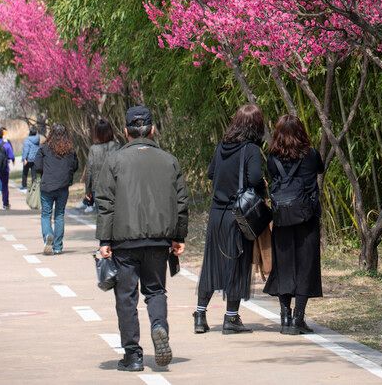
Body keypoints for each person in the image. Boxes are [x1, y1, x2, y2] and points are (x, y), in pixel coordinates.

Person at [96, 105, 188, 373]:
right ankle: (159, 327)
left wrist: (104, 240)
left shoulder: (114, 161)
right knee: (156, 291)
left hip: (123, 242)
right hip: (159, 241)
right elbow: (180, 201)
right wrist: (178, 236)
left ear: (126, 132)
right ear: (153, 129)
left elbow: (105, 203)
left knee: (126, 297)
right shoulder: (169, 160)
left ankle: (133, 356)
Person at [194, 103, 266, 336]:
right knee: (237, 263)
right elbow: (255, 178)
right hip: (238, 215)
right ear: (256, 126)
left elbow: (211, 173)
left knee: (212, 264)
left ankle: (200, 315)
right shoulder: (252, 150)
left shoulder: (221, 146)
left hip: (217, 213)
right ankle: (231, 318)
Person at [264, 114, 324, 334]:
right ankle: (298, 319)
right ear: (301, 132)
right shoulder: (311, 154)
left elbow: (273, 178)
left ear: (278, 133)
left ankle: (284, 317)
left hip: (282, 219)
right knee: (306, 265)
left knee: (284, 265)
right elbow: (321, 168)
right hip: (306, 217)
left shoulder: (272, 157)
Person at [34, 123, 78, 255]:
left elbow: (38, 167)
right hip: (63, 187)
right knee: (59, 215)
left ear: (51, 134)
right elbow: (75, 166)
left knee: (46, 214)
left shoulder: (44, 149)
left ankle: (48, 236)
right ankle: (58, 247)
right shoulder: (70, 150)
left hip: (47, 186)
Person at [82, 118, 120, 214]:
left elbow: (89, 171)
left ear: (97, 133)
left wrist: (88, 190)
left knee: (102, 216)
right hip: (115, 187)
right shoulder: (117, 147)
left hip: (98, 188)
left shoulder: (93, 149)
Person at [21, 125, 41, 192]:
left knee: (25, 173)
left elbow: (26, 150)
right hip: (35, 159)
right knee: (34, 173)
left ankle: (24, 185)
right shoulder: (38, 139)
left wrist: (24, 159)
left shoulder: (27, 140)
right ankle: (34, 186)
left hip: (28, 159)